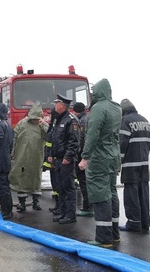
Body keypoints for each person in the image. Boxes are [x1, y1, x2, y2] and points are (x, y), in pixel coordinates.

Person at [78, 78, 121, 248]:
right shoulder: (116, 107)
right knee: (112, 193)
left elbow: (93, 134)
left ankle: (104, 238)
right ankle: (114, 234)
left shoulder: (98, 108)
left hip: (100, 157)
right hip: (113, 156)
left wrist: (85, 157)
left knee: (100, 194)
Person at [118, 99, 150, 232]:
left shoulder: (125, 121)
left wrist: (118, 162)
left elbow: (122, 144)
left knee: (131, 194)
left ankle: (133, 222)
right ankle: (145, 221)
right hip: (144, 164)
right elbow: (149, 143)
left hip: (130, 164)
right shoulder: (145, 120)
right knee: (143, 192)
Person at [9, 103, 48, 212]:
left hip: (37, 156)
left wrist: (43, 125)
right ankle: (22, 203)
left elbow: (49, 136)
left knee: (36, 178)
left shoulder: (42, 125)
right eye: (34, 119)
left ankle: (36, 201)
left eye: (37, 119)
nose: (35, 121)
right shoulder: (22, 123)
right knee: (21, 178)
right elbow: (14, 139)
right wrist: (13, 153)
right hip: (22, 156)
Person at [48, 94, 81, 224]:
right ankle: (63, 212)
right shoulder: (58, 119)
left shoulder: (71, 120)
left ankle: (70, 214)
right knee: (60, 187)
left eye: (57, 103)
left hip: (65, 160)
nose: (54, 105)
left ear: (62, 105)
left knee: (68, 187)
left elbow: (74, 141)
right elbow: (53, 139)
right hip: (57, 159)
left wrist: (68, 157)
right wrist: (50, 154)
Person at [73, 102, 93, 217]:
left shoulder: (81, 121)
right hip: (88, 155)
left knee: (84, 181)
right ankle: (90, 205)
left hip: (82, 156)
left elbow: (81, 139)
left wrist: (81, 155)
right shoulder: (88, 118)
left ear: (76, 111)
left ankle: (87, 207)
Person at [42, 109, 60, 213]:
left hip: (56, 158)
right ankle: (58, 205)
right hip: (52, 158)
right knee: (54, 182)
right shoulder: (53, 125)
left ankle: (60, 206)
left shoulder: (57, 126)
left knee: (58, 182)